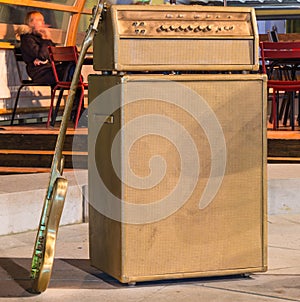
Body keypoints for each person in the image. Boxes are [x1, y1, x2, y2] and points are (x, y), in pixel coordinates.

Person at [15, 11, 84, 124]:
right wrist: (46, 40)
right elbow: (44, 54)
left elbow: (53, 55)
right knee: (74, 75)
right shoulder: (27, 39)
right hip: (40, 72)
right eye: (39, 20)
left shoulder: (40, 38)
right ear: (30, 22)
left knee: (76, 76)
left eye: (42, 20)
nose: (42, 23)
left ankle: (77, 112)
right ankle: (77, 113)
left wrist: (45, 58)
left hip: (50, 70)